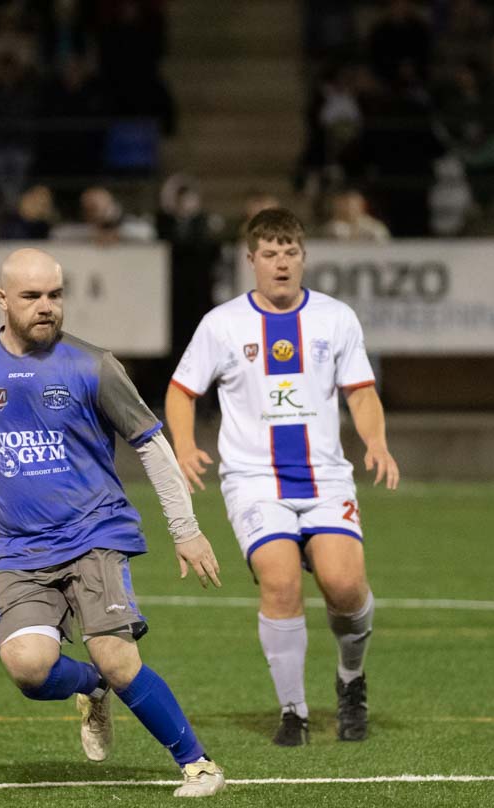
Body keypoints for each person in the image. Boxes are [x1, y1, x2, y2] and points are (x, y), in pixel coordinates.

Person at [0, 248, 227, 797]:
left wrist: (184, 529)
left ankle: (199, 765)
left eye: (55, 295)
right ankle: (91, 687)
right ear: (2, 300)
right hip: (19, 548)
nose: (46, 306)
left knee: (117, 657)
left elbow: (151, 444)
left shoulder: (94, 365)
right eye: (32, 296)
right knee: (28, 668)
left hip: (95, 534)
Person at [165, 208, 400, 746]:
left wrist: (376, 442)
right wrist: (184, 444)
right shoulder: (222, 324)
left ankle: (351, 679)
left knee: (345, 586)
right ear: (251, 260)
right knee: (280, 581)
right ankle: (293, 711)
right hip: (254, 479)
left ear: (304, 257)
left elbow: (361, 391)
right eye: (269, 254)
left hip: (325, 478)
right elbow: (181, 390)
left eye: (290, 252)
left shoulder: (336, 318)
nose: (281, 263)